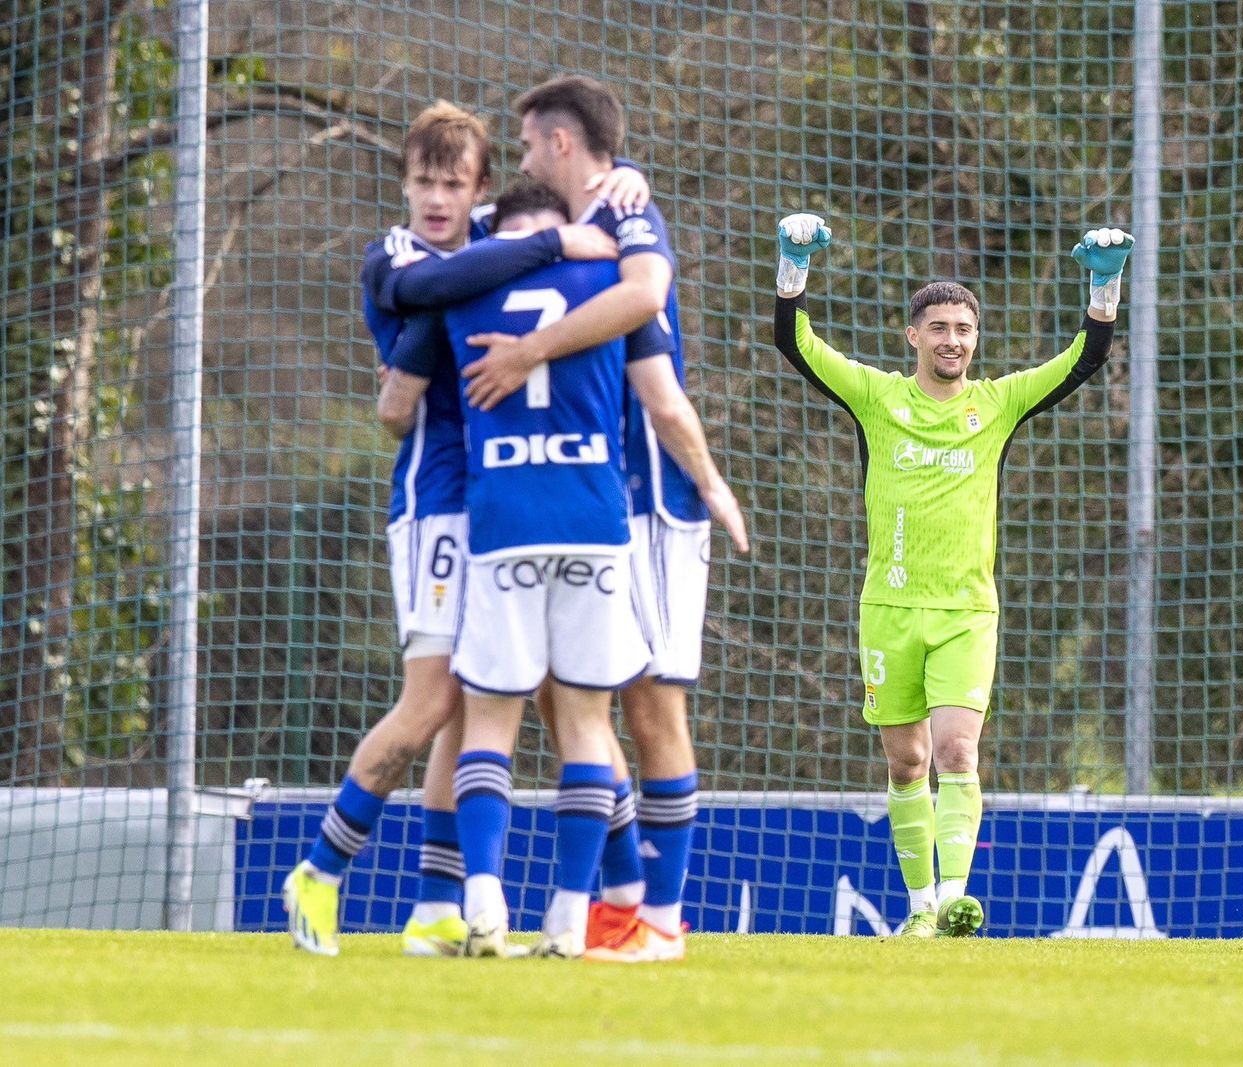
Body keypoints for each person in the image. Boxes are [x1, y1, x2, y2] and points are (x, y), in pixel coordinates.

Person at [280, 100, 645, 958]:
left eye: (454, 185)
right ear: (403, 186)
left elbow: (542, 217)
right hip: (439, 500)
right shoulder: (400, 254)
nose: (437, 199)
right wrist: (563, 242)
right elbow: (402, 371)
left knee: (498, 700)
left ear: (480, 191)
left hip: (503, 499)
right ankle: (320, 872)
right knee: (438, 698)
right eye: (423, 182)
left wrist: (623, 183)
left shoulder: (488, 242)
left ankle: (442, 906)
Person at [770, 212, 1133, 937]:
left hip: (967, 612)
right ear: (913, 336)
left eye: (964, 329)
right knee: (907, 763)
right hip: (889, 609)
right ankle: (918, 909)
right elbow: (796, 344)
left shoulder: (996, 404)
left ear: (976, 340)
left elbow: (1082, 360)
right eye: (938, 328)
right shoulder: (876, 397)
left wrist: (1104, 289)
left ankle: (953, 899)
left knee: (957, 751)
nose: (952, 340)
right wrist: (793, 269)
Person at [420, 180, 747, 959]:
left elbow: (399, 393)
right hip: (596, 522)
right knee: (587, 719)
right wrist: (713, 481)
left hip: (504, 521)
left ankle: (488, 903)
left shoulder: (464, 283)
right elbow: (661, 393)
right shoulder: (610, 282)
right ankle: (577, 915)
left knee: (495, 718)